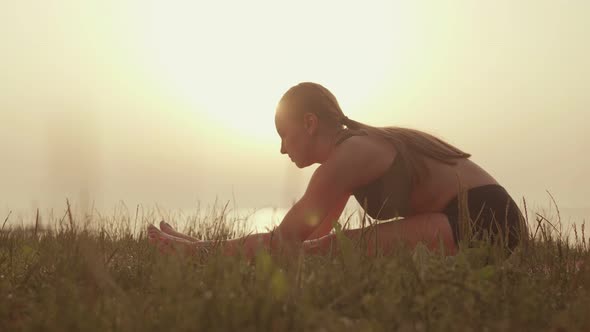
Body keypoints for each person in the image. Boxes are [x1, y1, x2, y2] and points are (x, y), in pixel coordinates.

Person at [148, 82, 526, 257]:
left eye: (284, 134)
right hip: (474, 216)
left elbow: (286, 241)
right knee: (330, 251)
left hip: (486, 219)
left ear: (309, 123)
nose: (281, 148)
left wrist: (200, 252)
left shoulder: (349, 154)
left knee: (334, 253)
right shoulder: (353, 151)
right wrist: (199, 244)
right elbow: (305, 239)